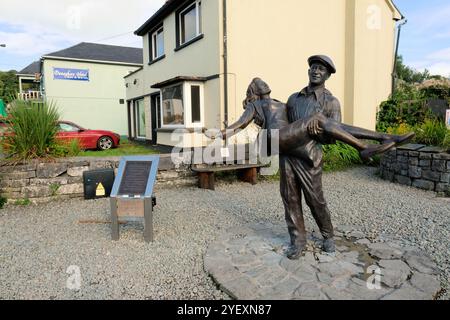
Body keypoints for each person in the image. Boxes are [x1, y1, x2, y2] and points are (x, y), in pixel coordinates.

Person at [206, 72, 414, 260]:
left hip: (300, 150)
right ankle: (298, 241)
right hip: (278, 141)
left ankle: (382, 137)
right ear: (254, 91)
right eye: (256, 83)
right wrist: (219, 134)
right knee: (290, 198)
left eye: (262, 81)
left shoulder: (295, 102)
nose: (262, 83)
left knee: (316, 199)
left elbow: (333, 130)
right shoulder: (267, 103)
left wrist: (313, 129)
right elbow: (240, 124)